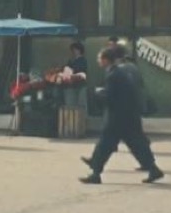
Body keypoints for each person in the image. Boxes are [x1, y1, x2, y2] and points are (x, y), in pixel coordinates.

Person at [79, 47, 163, 184]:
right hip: (129, 116)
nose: (98, 61)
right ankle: (153, 169)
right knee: (137, 144)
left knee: (105, 144)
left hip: (117, 118)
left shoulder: (113, 75)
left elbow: (110, 96)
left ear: (106, 60)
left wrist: (98, 94)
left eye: (99, 58)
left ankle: (95, 172)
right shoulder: (120, 73)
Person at [64, 42, 88, 109]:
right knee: (71, 105)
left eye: (75, 49)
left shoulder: (83, 60)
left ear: (79, 50)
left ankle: (82, 119)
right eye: (73, 50)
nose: (74, 51)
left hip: (80, 85)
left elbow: (82, 72)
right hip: (71, 85)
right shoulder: (71, 61)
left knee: (81, 104)